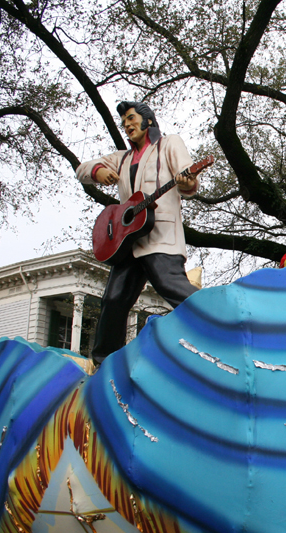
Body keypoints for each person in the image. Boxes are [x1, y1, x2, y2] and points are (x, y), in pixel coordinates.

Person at [77, 101, 204, 365]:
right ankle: (103, 362)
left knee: (172, 288)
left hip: (160, 235)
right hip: (127, 242)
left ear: (147, 120)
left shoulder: (169, 143)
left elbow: (188, 182)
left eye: (131, 118)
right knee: (112, 300)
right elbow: (82, 169)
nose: (127, 125)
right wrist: (99, 171)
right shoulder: (121, 158)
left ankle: (218, 323)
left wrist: (188, 180)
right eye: (123, 122)